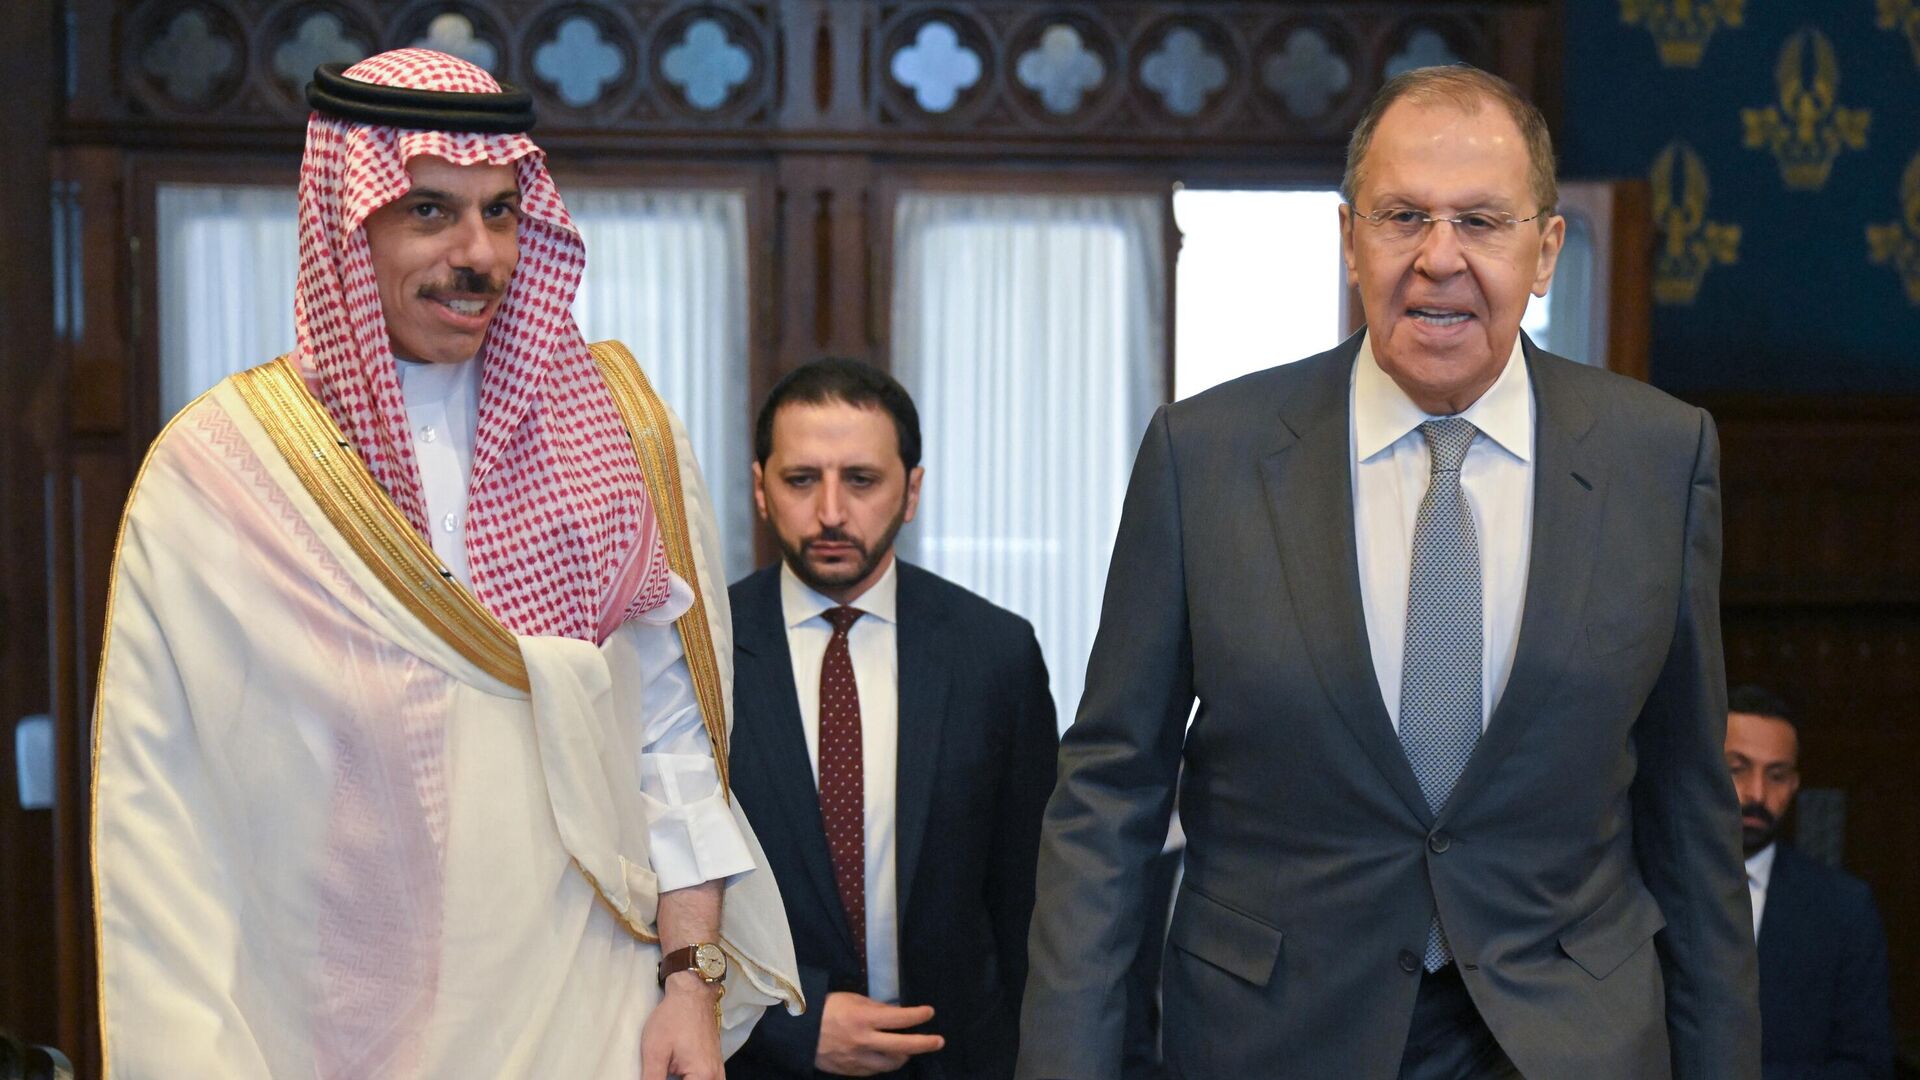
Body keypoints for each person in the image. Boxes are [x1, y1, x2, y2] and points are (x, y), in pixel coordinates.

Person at [1017, 64, 1760, 1080]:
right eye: (1404, 216)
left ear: (1546, 250)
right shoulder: (1207, 456)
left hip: (1566, 1037)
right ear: (1349, 240)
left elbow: (1689, 809)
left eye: (1481, 222)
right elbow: (1110, 794)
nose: (1438, 259)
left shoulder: (1659, 459)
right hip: (1276, 1035)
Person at [90, 50, 800, 1078]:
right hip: (328, 1032)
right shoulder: (226, 473)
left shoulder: (614, 435)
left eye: (501, 213)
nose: (480, 255)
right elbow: (166, 819)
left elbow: (670, 741)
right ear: (347, 225)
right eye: (430, 212)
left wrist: (691, 979)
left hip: (586, 1010)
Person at [727, 359, 1058, 1079]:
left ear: (911, 491)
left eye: (862, 480)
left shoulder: (995, 654)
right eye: (801, 479)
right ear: (759, 489)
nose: (831, 513)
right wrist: (791, 1027)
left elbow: (1032, 901)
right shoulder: (701, 652)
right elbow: (659, 902)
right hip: (761, 1061)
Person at [1725, 686, 1893, 1079]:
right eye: (1737, 768)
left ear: (1795, 784)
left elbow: (1866, 1065)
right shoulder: (1645, 887)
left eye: (1777, 775)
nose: (1757, 793)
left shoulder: (1842, 908)